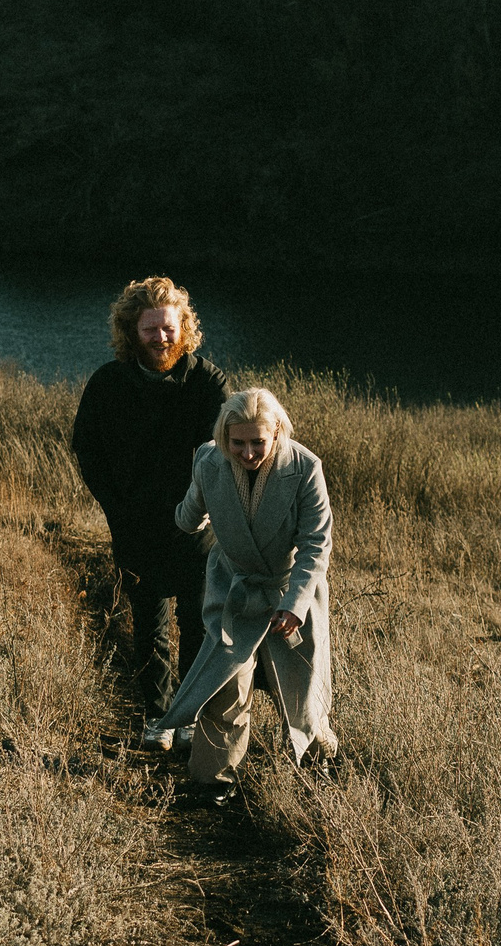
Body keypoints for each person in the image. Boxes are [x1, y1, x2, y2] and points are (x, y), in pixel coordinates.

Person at [148, 387, 338, 805]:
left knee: (302, 693)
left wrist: (295, 604)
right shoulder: (209, 460)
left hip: (290, 593)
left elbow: (316, 545)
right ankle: (210, 786)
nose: (248, 452)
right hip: (235, 592)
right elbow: (190, 513)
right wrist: (180, 518)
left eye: (258, 442)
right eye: (238, 442)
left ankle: (317, 774)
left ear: (277, 434)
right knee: (224, 687)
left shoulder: (305, 467)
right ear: (223, 436)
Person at [70, 276, 230, 713]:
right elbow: (87, 449)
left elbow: (229, 452)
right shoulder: (108, 384)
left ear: (184, 327)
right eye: (149, 329)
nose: (161, 338)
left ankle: (191, 715)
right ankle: (158, 718)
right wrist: (116, 507)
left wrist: (208, 508)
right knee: (149, 624)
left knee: (198, 625)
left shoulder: (208, 382)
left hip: (196, 526)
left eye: (169, 327)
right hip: (135, 525)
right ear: (131, 332)